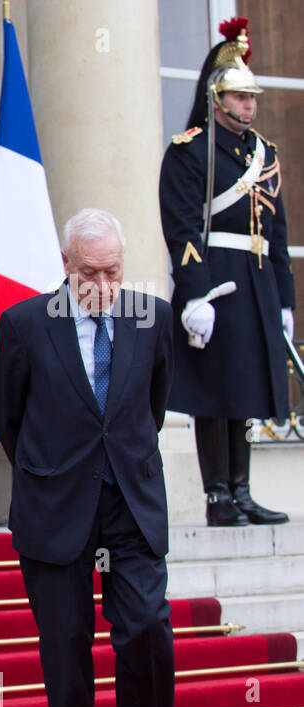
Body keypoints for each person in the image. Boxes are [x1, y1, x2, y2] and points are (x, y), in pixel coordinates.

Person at [0, 208, 184, 707]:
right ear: (66, 266)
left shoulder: (151, 318)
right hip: (55, 504)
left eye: (113, 271)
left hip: (131, 500)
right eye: (89, 273)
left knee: (147, 625)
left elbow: (151, 406)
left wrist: (121, 461)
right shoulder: (23, 324)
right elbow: (9, 418)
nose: (102, 285)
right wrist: (52, 467)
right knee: (66, 641)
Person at [159, 17, 294, 527]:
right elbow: (182, 227)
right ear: (217, 98)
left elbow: (275, 235)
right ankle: (217, 495)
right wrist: (195, 294)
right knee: (216, 391)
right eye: (239, 97)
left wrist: (285, 301)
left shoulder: (265, 155)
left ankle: (242, 490)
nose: (249, 105)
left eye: (252, 97)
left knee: (247, 389)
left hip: (256, 280)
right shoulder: (191, 150)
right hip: (216, 280)